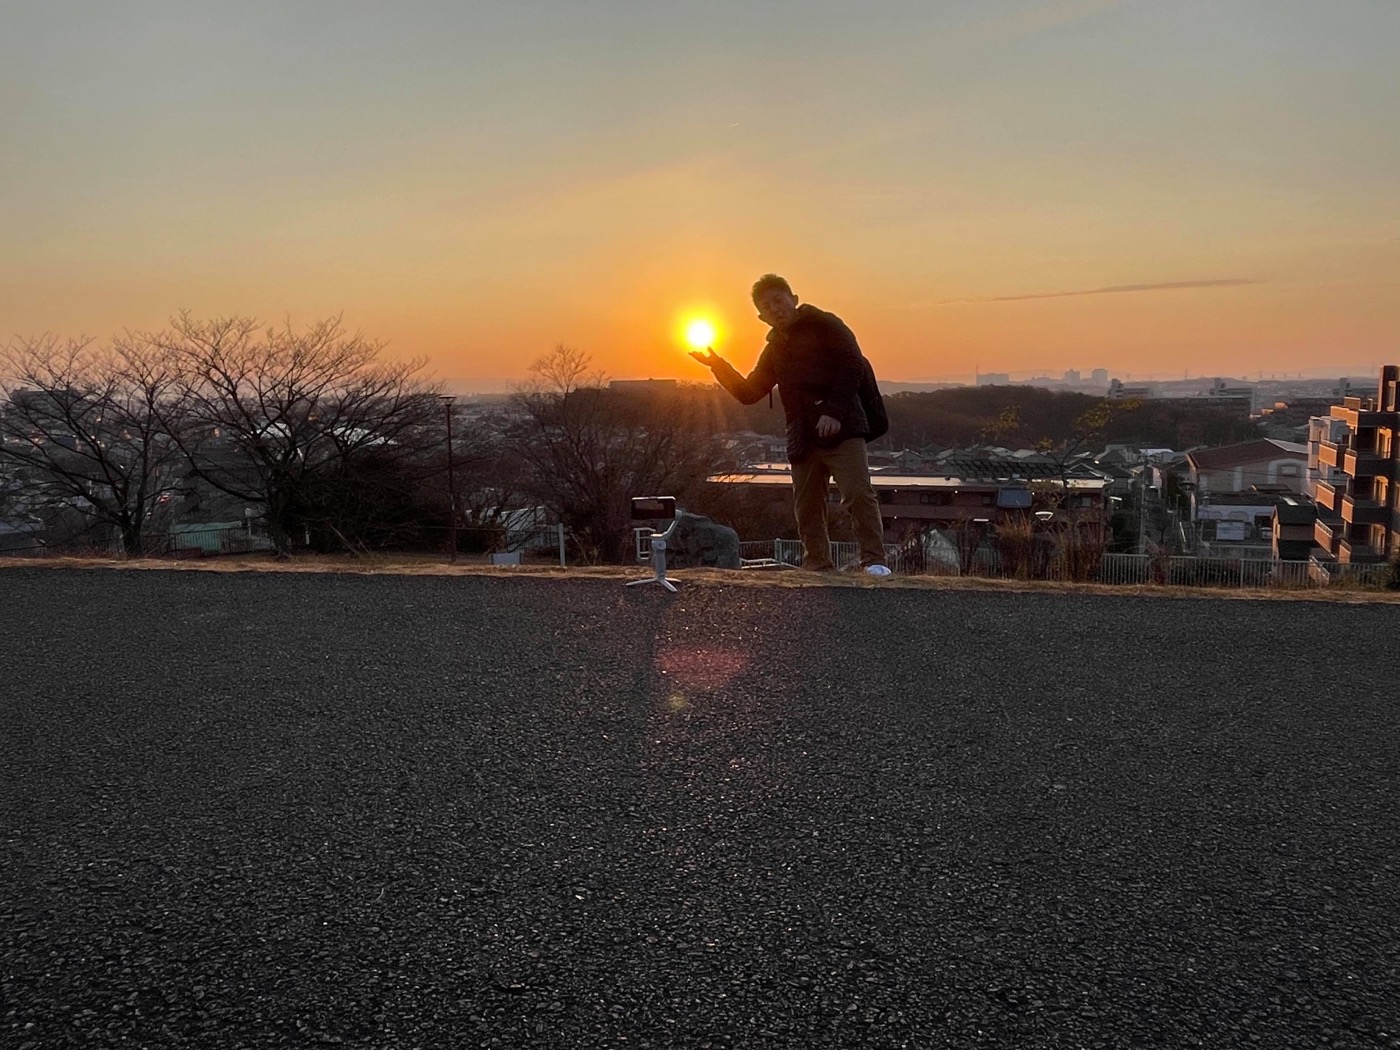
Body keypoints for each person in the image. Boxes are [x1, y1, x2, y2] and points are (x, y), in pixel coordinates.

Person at [690, 274, 890, 575]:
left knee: (858, 493)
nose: (775, 309)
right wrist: (718, 365)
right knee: (807, 505)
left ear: (793, 299)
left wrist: (834, 412)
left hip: (844, 426)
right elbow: (749, 392)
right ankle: (817, 564)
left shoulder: (826, 324)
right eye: (767, 307)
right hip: (802, 434)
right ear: (761, 317)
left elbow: (853, 366)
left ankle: (874, 561)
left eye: (778, 301)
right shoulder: (774, 348)